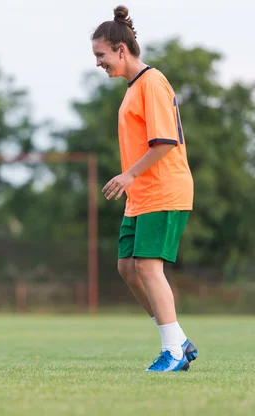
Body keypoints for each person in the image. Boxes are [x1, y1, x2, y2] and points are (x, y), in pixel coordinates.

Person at [91, 6, 198, 372]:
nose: (98, 63)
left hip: (164, 188)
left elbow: (165, 141)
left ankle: (173, 350)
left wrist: (129, 175)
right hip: (142, 195)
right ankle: (178, 338)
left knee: (148, 268)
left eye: (101, 55)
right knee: (127, 267)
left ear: (122, 49)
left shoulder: (151, 82)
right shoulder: (134, 88)